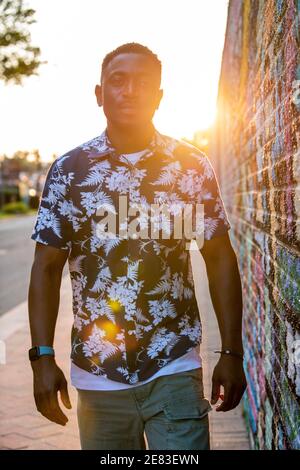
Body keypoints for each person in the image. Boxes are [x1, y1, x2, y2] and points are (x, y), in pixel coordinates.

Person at [28, 42, 247, 451]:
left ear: (159, 97)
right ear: (99, 94)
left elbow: (219, 256)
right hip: (98, 372)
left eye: (143, 83)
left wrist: (232, 351)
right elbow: (46, 266)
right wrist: (42, 357)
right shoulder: (70, 172)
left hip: (175, 363)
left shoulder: (190, 166)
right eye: (118, 81)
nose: (130, 90)